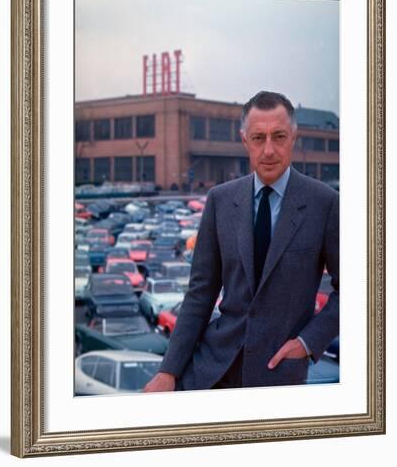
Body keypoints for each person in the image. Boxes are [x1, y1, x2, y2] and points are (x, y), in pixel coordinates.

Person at [144, 91, 339, 392]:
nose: (269, 150)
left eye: (279, 136)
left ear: (294, 137)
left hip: (277, 374)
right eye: (259, 138)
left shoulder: (324, 203)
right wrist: (168, 370)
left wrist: (307, 343)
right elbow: (200, 292)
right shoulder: (220, 200)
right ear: (245, 140)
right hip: (210, 367)